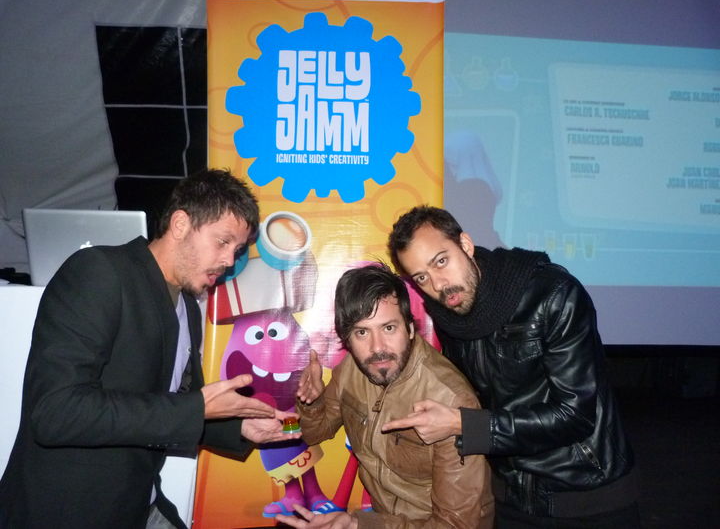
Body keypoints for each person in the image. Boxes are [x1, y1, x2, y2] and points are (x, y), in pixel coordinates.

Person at [0, 169, 300, 529]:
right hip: (67, 511)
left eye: (236, 251)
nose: (229, 260)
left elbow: (174, 409)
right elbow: (55, 412)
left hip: (139, 502)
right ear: (180, 224)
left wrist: (239, 428)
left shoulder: (188, 308)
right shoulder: (100, 271)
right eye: (222, 242)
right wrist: (195, 408)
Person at [383, 206, 639, 528]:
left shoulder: (552, 294)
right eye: (422, 277)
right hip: (511, 498)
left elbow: (575, 416)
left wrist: (464, 425)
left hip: (586, 496)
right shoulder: (449, 317)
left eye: (441, 261)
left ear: (465, 244)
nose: (438, 284)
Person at [277, 263, 494, 529]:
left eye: (389, 328)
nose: (377, 348)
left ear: (410, 328)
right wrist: (310, 402)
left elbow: (456, 525)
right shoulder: (350, 370)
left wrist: (360, 525)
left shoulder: (451, 401)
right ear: (347, 339)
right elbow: (314, 434)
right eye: (362, 332)